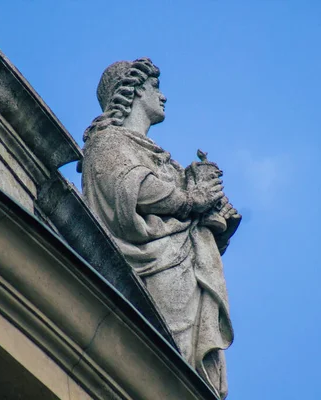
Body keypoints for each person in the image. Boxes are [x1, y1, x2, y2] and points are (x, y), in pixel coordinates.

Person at [80, 58, 240, 399]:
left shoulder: (168, 162)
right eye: (155, 87)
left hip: (181, 270)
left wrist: (214, 213)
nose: (163, 96)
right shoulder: (107, 142)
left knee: (184, 364)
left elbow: (188, 213)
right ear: (133, 91)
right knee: (159, 359)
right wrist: (190, 199)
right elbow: (132, 186)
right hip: (152, 268)